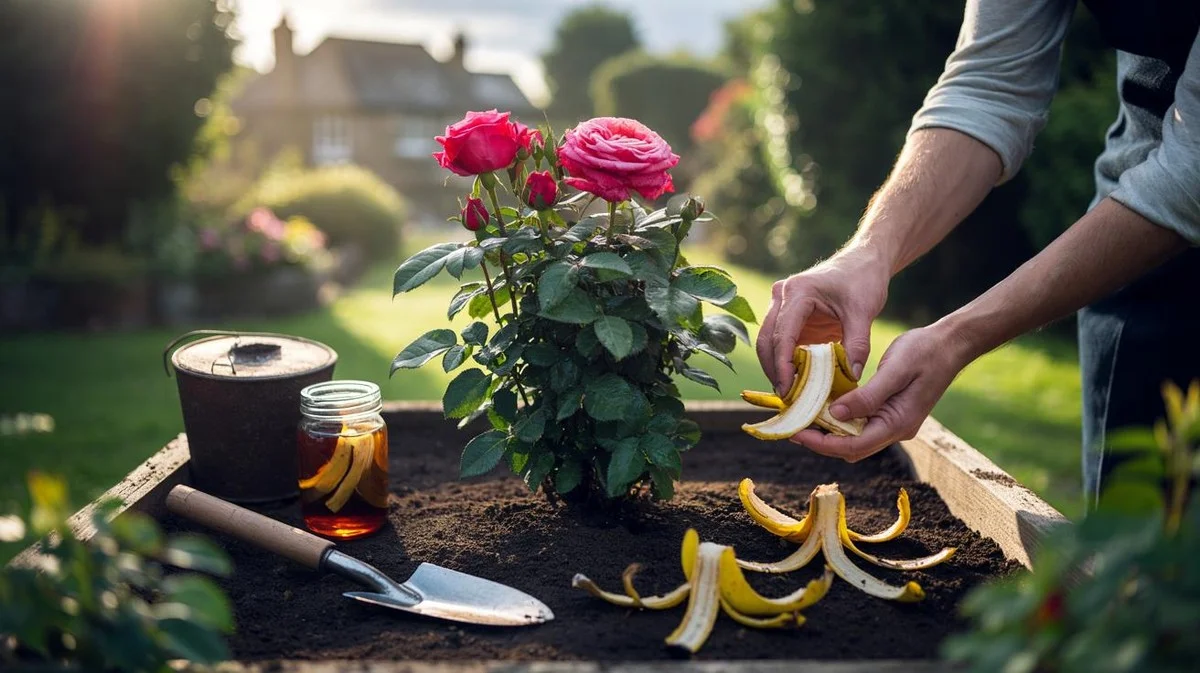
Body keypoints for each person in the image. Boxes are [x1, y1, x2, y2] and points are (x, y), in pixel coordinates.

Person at [757, 0, 1199, 508]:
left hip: (1170, 192)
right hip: (1136, 246)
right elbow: (990, 85)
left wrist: (957, 337)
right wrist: (866, 253)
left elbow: (1190, 173)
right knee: (1138, 542)